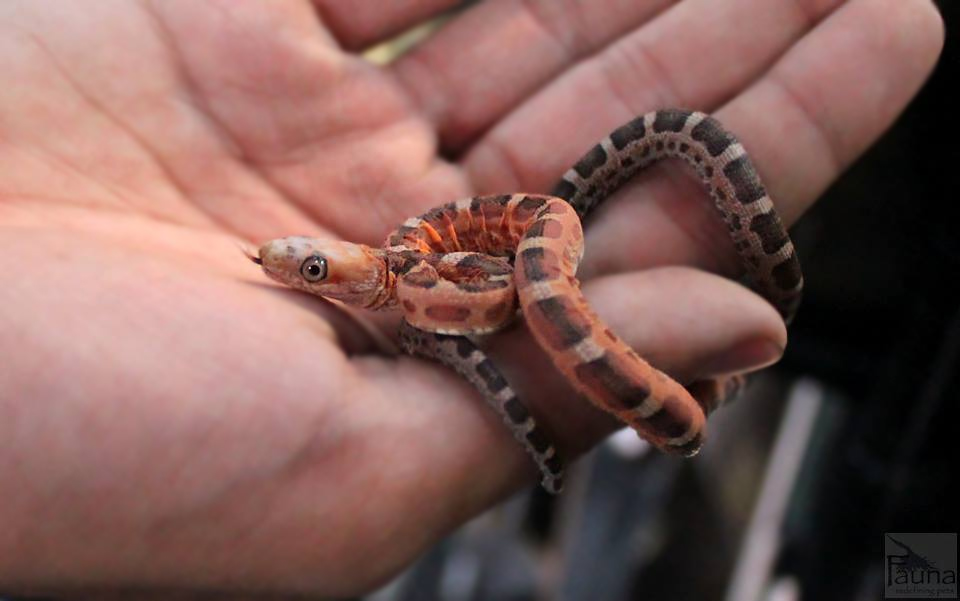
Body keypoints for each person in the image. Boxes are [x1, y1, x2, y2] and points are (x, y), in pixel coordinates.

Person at [0, 0, 943, 596]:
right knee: (892, 523)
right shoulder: (425, 268)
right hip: (903, 381)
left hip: (905, 346)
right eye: (306, 270)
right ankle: (906, 570)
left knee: (903, 518)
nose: (298, 273)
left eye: (316, 269)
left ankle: (912, 570)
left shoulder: (481, 266)